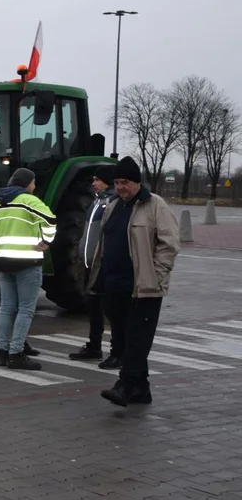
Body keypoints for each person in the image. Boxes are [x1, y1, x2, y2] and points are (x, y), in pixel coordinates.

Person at [86, 156, 180, 406]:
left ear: (136, 181)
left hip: (143, 288)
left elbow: (169, 245)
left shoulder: (154, 205)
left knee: (138, 338)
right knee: (129, 339)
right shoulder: (115, 206)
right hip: (115, 286)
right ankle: (142, 389)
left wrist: (156, 275)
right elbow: (105, 243)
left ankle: (125, 385)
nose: (120, 187)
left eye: (125, 182)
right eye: (116, 182)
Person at [0, 167, 56, 370]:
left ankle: (3, 352)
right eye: (33, 182)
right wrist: (46, 242)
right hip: (28, 263)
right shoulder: (29, 201)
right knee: (25, 309)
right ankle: (17, 354)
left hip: (5, 262)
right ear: (27, 184)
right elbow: (50, 220)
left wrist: (2, 246)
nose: (34, 186)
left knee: (6, 307)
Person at [69, 166, 120, 363]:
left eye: (97, 179)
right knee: (93, 306)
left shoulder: (112, 202)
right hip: (89, 263)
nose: (93, 183)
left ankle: (116, 350)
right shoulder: (97, 201)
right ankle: (94, 345)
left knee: (109, 308)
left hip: (102, 264)